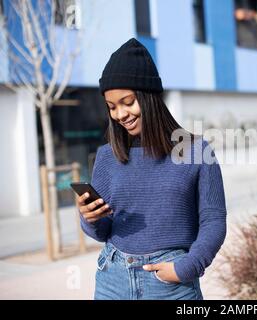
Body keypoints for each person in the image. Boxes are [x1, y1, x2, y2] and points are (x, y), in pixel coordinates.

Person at [76, 38, 227, 300]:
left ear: (149, 97)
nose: (121, 114)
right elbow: (102, 231)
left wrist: (186, 268)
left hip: (170, 285)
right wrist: (89, 218)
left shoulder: (197, 152)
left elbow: (213, 222)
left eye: (128, 102)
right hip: (113, 280)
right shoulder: (106, 155)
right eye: (112, 107)